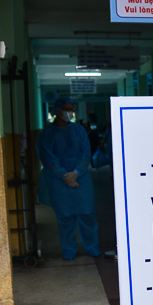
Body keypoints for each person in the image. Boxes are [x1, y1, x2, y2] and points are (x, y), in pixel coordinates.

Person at [37, 98, 101, 260]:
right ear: (57, 111)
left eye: (71, 109)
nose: (69, 113)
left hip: (81, 179)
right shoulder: (46, 135)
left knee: (87, 214)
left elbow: (85, 153)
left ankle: (92, 245)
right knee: (65, 217)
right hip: (59, 181)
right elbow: (48, 158)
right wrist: (65, 175)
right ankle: (69, 248)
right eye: (66, 109)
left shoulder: (79, 130)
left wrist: (77, 173)